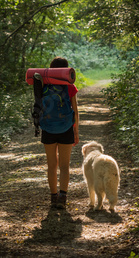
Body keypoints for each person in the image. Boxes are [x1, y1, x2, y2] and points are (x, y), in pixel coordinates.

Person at [40, 57, 80, 209]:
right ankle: (62, 198)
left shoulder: (43, 84)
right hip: (66, 128)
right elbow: (75, 110)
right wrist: (76, 131)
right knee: (64, 166)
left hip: (47, 127)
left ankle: (53, 198)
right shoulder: (70, 86)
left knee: (51, 165)